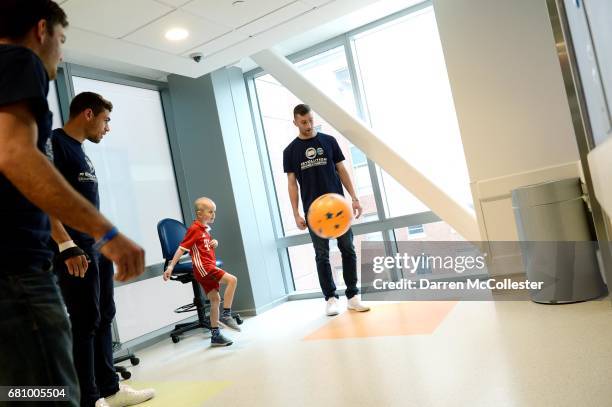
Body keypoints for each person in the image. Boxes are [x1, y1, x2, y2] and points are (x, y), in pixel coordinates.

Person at [0, 1, 144, 404]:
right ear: (41, 29)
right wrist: (105, 234)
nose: (60, 55)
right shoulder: (18, 59)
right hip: (18, 270)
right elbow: (15, 156)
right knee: (51, 391)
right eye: (60, 41)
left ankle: (105, 387)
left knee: (19, 391)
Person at [50, 92, 155, 407]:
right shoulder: (55, 144)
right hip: (73, 251)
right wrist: (65, 244)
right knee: (84, 320)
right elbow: (43, 198)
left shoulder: (81, 152)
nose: (107, 127)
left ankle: (111, 389)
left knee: (104, 314)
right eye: (105, 120)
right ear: (87, 114)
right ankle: (89, 398)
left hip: (94, 247)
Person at [283, 104, 370, 316]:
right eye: (303, 122)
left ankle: (353, 296)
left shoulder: (329, 141)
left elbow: (341, 169)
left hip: (339, 208)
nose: (308, 124)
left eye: (311, 120)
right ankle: (330, 298)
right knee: (321, 255)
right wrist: (295, 213)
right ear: (295, 122)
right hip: (314, 213)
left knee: (347, 249)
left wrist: (355, 198)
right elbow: (292, 184)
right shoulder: (290, 151)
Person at [163, 197, 240, 347]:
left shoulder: (205, 230)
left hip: (206, 267)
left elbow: (203, 247)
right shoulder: (194, 229)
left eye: (214, 212)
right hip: (205, 268)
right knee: (232, 280)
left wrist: (214, 243)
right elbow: (182, 248)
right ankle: (226, 315)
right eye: (210, 212)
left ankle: (215, 335)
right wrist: (171, 266)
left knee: (215, 300)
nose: (213, 215)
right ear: (199, 213)